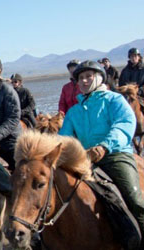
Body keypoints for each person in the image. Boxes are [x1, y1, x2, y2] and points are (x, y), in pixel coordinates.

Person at [59, 60, 144, 245]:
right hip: (86, 160)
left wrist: (104, 146)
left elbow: (124, 124)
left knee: (134, 198)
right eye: (80, 78)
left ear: (99, 78)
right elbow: (63, 138)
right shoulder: (74, 112)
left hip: (116, 155)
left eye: (88, 76)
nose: (84, 81)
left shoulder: (114, 100)